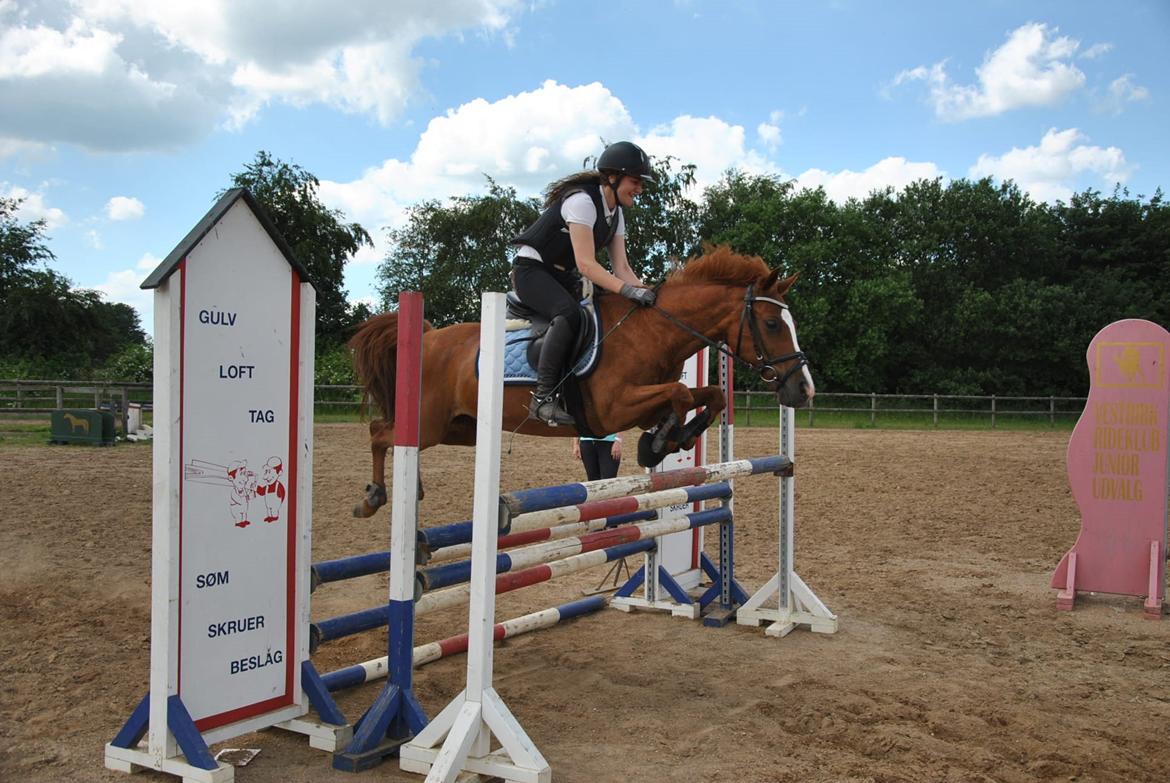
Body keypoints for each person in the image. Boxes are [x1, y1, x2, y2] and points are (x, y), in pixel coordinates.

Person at [511, 140, 658, 426]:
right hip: (531, 272)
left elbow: (622, 268)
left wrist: (648, 293)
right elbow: (587, 265)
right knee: (568, 313)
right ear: (613, 178)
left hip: (562, 276)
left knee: (606, 307)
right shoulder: (582, 201)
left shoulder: (616, 215)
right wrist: (628, 290)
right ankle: (541, 398)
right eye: (635, 181)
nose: (639, 189)